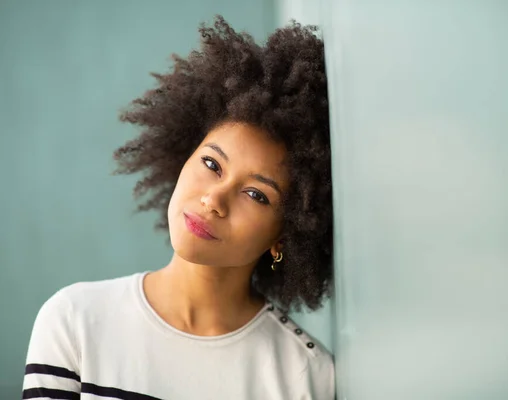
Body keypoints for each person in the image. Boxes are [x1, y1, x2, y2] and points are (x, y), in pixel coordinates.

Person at [21, 15, 334, 400]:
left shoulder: (303, 375)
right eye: (211, 165)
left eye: (256, 194)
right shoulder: (74, 320)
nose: (214, 200)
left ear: (284, 235)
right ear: (181, 156)